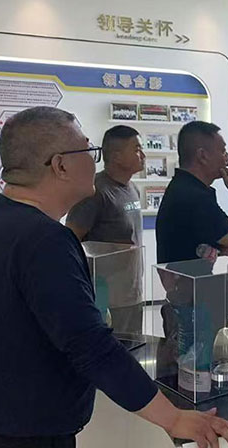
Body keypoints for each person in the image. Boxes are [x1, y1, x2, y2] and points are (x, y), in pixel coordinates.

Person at [0, 107, 228, 448]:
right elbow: (90, 346)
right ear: (60, 165)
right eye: (88, 151)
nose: (96, 160)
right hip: (29, 437)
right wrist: (173, 418)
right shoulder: (45, 240)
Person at [156, 121, 228, 340]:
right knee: (200, 357)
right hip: (196, 304)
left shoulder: (186, 188)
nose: (227, 158)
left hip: (198, 298)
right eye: (223, 151)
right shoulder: (194, 197)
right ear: (202, 155)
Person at [66, 125, 145, 334]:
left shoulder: (133, 189)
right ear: (117, 156)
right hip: (105, 298)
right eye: (136, 149)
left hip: (132, 293)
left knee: (133, 347)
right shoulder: (96, 191)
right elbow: (70, 238)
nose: (143, 155)